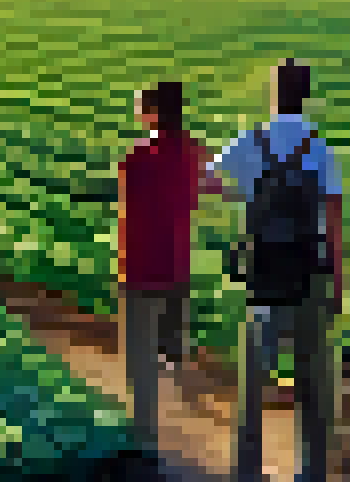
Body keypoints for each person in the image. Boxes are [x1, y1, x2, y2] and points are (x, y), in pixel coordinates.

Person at [204, 58, 347, 482]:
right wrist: (339, 283)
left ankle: (247, 470)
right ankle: (313, 471)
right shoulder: (319, 148)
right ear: (306, 97)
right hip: (308, 278)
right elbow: (333, 222)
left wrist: (245, 194)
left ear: (274, 93)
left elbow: (207, 182)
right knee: (315, 384)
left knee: (253, 383)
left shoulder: (250, 140)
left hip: (262, 276)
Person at [118, 79, 209, 455]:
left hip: (140, 268)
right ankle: (186, 415)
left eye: (141, 105)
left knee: (140, 358)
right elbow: (202, 194)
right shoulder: (195, 153)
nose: (138, 111)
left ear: (153, 112)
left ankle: (147, 439)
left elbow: (126, 213)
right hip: (177, 266)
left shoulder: (137, 158)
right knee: (172, 348)